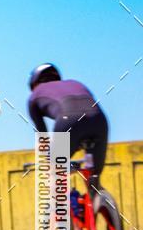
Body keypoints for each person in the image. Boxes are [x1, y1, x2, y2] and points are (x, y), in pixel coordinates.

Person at [27, 63, 108, 193]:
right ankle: (99, 203)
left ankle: (61, 209)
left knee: (53, 175)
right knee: (93, 178)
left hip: (68, 122)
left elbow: (42, 137)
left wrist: (47, 162)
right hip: (99, 119)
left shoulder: (34, 95)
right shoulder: (75, 83)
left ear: (34, 83)